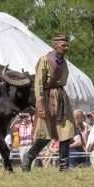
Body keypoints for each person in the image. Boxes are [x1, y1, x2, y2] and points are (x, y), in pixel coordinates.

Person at [22, 33, 76, 172]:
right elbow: (38, 83)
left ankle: (64, 167)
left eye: (67, 45)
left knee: (67, 130)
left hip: (61, 98)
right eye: (63, 45)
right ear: (55, 45)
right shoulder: (45, 60)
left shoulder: (64, 62)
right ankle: (28, 158)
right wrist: (40, 104)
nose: (66, 48)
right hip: (47, 98)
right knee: (45, 135)